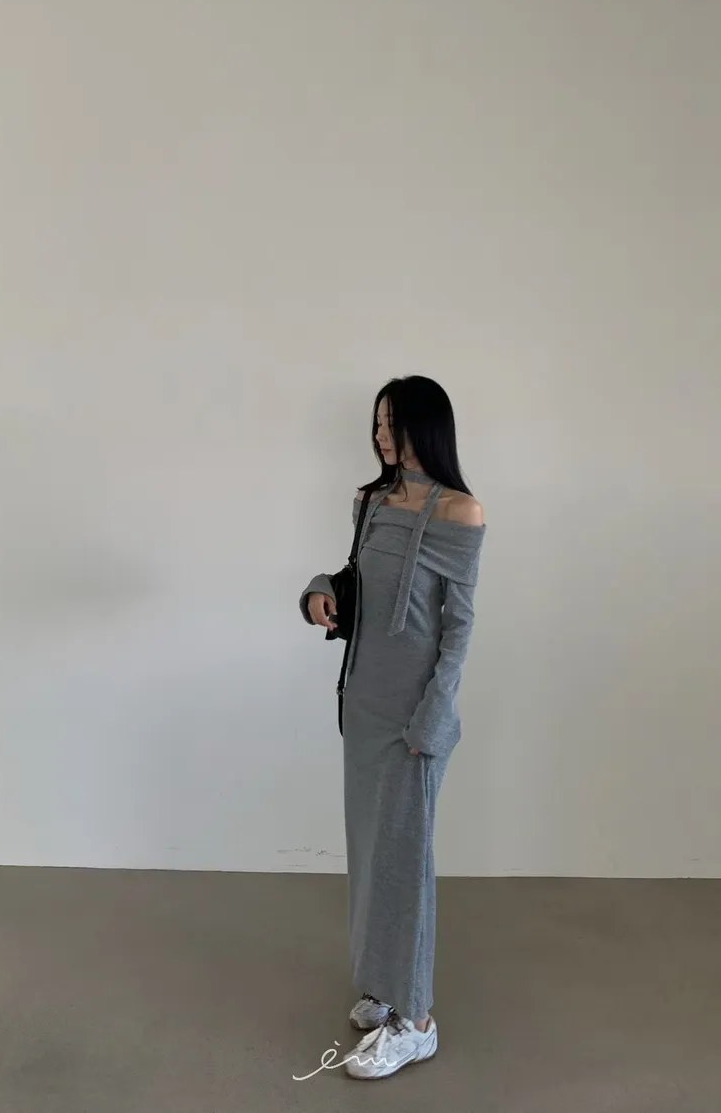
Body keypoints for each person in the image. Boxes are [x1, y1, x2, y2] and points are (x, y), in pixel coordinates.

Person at [299, 375, 486, 1080]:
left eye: (393, 424)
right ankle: (384, 982)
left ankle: (417, 1021)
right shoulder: (371, 502)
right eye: (377, 423)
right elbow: (357, 579)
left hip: (414, 714)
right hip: (364, 702)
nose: (381, 436)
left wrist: (435, 713)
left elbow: (458, 627)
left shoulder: (461, 513)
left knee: (406, 861)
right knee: (372, 849)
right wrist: (320, 590)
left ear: (425, 428)